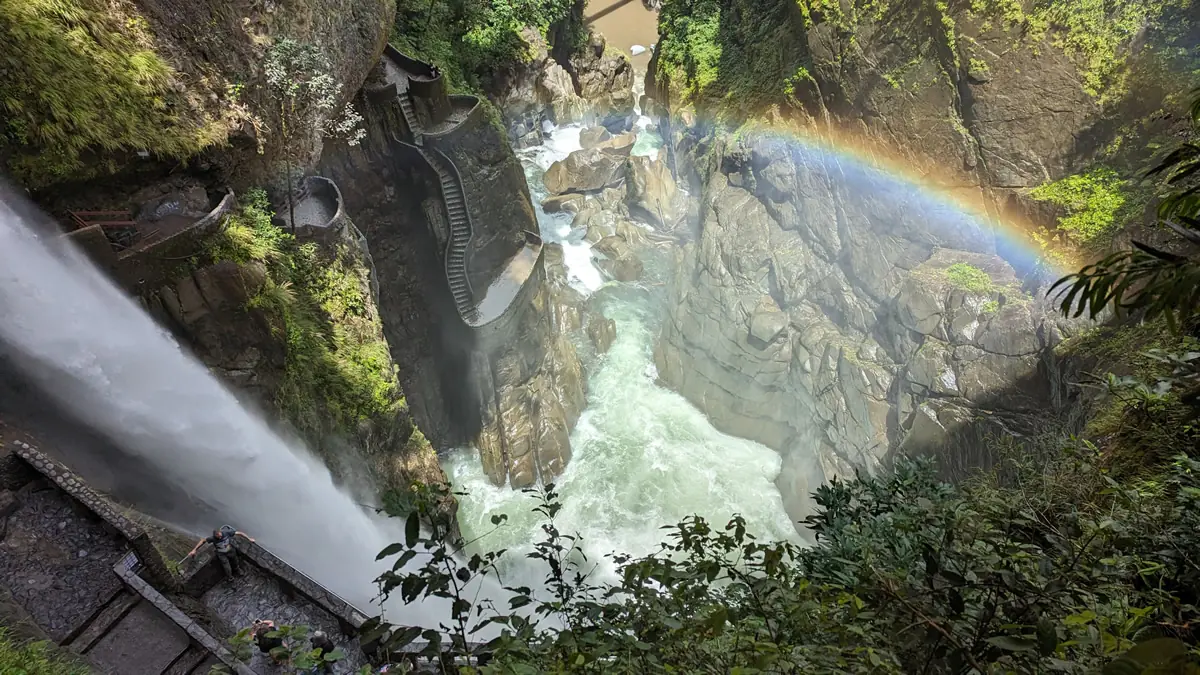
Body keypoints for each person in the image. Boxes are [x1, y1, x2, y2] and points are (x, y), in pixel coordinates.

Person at [186, 525, 254, 579]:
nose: (219, 537)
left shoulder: (226, 533)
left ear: (220, 532)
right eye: (218, 537)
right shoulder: (212, 538)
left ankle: (237, 569)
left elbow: (239, 533)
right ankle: (230, 577)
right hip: (222, 554)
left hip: (230, 550)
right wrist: (194, 550)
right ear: (215, 535)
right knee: (227, 567)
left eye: (220, 535)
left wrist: (249, 538)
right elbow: (203, 541)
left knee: (235, 561)